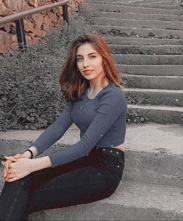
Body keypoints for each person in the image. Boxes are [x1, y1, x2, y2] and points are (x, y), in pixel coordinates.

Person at [0, 33, 127, 221]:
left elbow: (84, 146)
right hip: (85, 159)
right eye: (80, 59)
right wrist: (27, 155)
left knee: (21, 197)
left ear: (104, 59)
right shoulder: (81, 92)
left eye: (92, 57)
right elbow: (57, 129)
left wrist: (32, 165)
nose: (86, 64)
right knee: (17, 177)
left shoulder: (113, 96)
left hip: (104, 170)